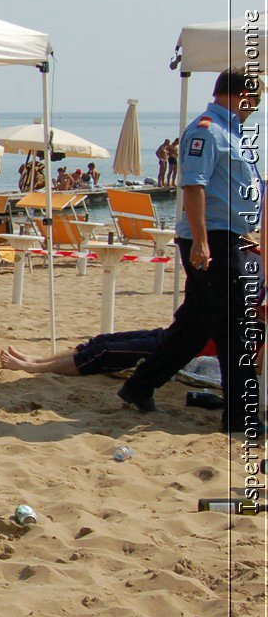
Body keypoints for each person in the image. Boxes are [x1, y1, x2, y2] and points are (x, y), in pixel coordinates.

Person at [117, 70, 262, 433]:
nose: (257, 107)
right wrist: (200, 240)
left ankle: (139, 386)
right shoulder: (208, 130)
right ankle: (242, 419)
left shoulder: (233, 132)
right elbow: (193, 186)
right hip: (214, 237)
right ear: (237, 94)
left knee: (195, 328)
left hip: (230, 235)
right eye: (254, 99)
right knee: (236, 326)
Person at [1, 329, 168, 376]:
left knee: (103, 352)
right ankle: (38, 360)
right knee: (101, 340)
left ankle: (34, 368)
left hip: (174, 349)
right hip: (169, 334)